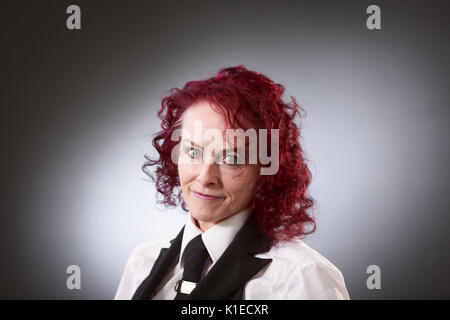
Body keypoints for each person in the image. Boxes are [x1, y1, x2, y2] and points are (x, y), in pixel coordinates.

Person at [115, 65, 350, 300]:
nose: (206, 177)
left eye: (231, 158)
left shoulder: (301, 278)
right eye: (193, 152)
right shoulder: (142, 262)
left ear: (267, 170)